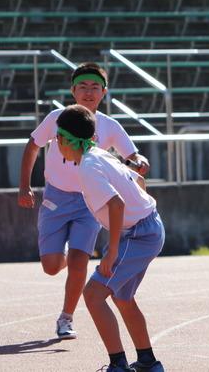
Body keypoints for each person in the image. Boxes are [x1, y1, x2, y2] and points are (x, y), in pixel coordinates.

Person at [17, 62, 149, 339]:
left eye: (95, 87)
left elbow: (132, 155)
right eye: (83, 87)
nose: (89, 92)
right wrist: (24, 187)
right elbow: (33, 145)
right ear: (73, 90)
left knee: (80, 262)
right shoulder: (57, 117)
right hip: (55, 198)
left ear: (104, 92)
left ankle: (66, 317)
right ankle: (65, 255)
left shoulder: (110, 126)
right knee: (52, 266)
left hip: (90, 202)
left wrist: (139, 161)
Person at [56, 104, 164, 372]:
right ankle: (149, 363)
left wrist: (112, 251)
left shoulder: (89, 167)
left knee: (93, 295)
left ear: (61, 140)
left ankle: (118, 366)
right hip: (146, 228)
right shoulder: (100, 155)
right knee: (122, 298)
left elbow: (116, 205)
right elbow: (136, 181)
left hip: (138, 234)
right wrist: (143, 203)